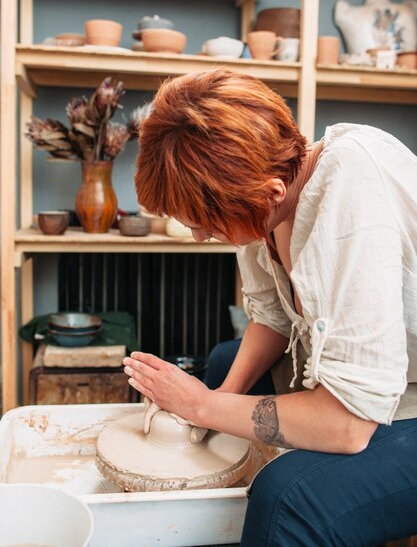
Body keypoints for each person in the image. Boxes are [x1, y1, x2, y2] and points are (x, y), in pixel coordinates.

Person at [123, 69, 417, 546]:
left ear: (270, 194)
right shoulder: (263, 190)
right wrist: (206, 410)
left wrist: (203, 402)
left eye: (204, 223)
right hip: (367, 386)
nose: (199, 235)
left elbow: (349, 425)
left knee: (287, 499)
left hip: (391, 401)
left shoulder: (350, 194)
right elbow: (273, 318)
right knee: (223, 362)